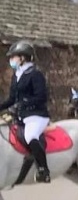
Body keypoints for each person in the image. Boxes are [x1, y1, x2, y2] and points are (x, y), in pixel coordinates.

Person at [2, 42, 51, 183]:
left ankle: (44, 170)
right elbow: (11, 99)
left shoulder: (35, 75)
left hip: (36, 116)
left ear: (23, 58)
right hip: (21, 116)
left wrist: (22, 103)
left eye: (14, 57)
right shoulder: (16, 76)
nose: (11, 60)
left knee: (31, 136)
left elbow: (41, 97)